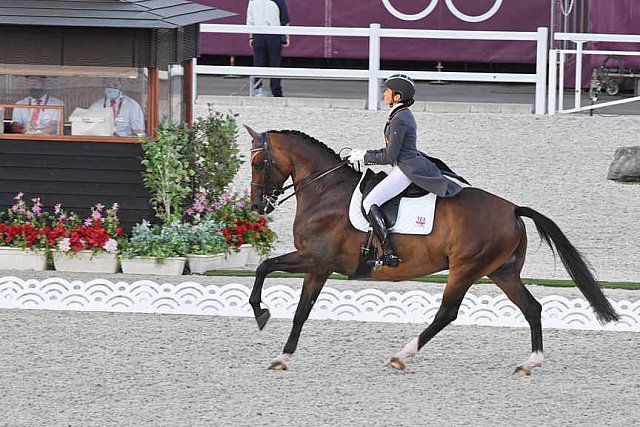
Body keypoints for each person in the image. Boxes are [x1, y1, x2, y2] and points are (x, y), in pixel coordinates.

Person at [348, 74, 462, 268]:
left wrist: (364, 156)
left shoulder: (400, 118)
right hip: (403, 164)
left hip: (406, 169)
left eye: (388, 91)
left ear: (397, 96)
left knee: (370, 202)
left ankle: (388, 252)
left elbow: (390, 156)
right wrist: (364, 153)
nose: (384, 94)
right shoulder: (399, 114)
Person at [246, 0, 290, 97]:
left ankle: (257, 90)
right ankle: (276, 91)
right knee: (275, 63)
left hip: (258, 34)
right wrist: (286, 37)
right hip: (274, 34)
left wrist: (251, 37)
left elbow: (250, 21)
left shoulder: (253, 1)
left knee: (258, 63)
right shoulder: (279, 1)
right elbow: (284, 19)